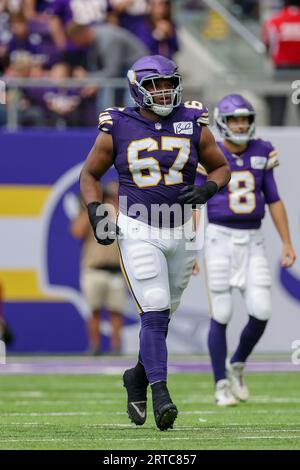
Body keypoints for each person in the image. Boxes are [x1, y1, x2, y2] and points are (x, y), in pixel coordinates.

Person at [80, 54, 230, 430]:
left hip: (182, 231)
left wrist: (210, 187)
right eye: (155, 85)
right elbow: (90, 174)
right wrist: (96, 211)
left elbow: (221, 166)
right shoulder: (116, 124)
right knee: (156, 307)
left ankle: (136, 376)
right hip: (139, 228)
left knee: (161, 316)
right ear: (137, 88)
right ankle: (161, 395)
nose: (164, 92)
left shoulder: (193, 122)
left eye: (168, 83)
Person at [195, 94, 296, 406]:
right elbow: (197, 201)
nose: (240, 125)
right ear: (223, 123)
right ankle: (220, 384)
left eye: (245, 119)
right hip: (218, 239)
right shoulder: (212, 150)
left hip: (253, 240)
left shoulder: (262, 150)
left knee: (262, 311)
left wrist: (287, 242)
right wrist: (192, 247)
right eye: (235, 119)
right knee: (222, 313)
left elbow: (274, 198)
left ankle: (237, 363)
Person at [71, 182, 126, 355]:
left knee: (116, 311)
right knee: (94, 310)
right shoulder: (93, 212)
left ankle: (116, 347)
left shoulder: (122, 213)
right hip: (93, 269)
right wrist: (90, 209)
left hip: (116, 269)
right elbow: (77, 231)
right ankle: (94, 347)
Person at [262, 0, 300, 125]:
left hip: (281, 69)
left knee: (278, 106)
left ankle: (276, 138)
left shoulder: (274, 21)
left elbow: (268, 45)